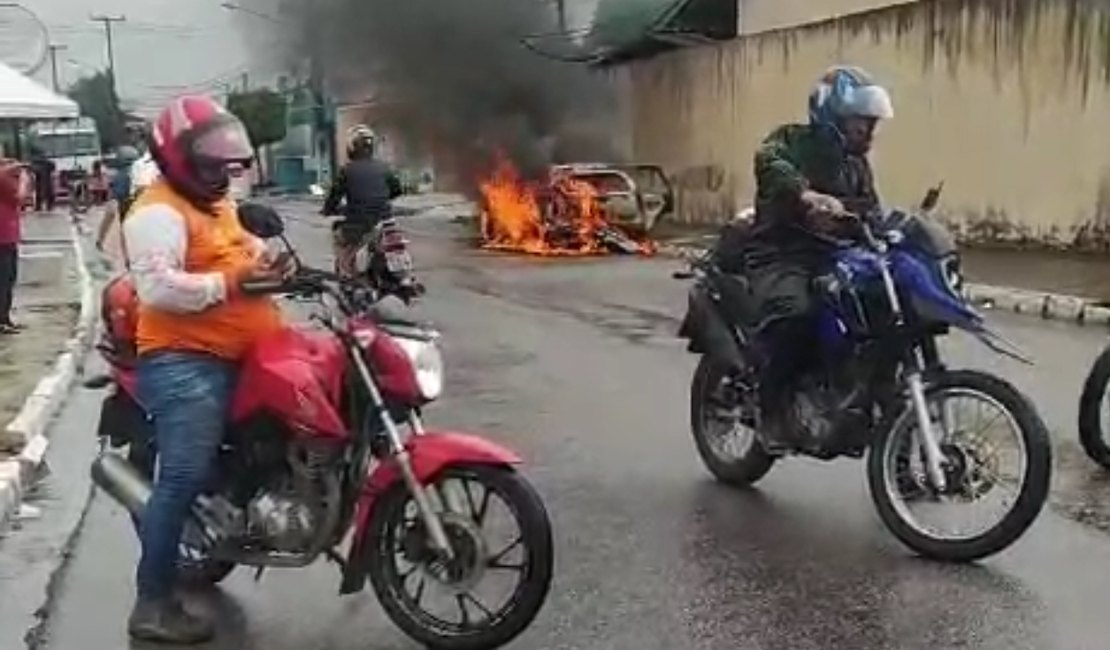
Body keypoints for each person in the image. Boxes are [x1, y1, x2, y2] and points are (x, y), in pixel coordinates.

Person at [122, 95, 289, 644]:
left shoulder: (217, 204)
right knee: (183, 476)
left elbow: (246, 249)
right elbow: (159, 287)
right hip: (184, 360)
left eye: (226, 160)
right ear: (176, 157)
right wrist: (232, 284)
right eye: (210, 159)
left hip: (248, 351)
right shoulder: (157, 213)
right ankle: (153, 603)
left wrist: (277, 264)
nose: (221, 170)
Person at [726, 65, 893, 450]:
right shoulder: (791, 140)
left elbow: (873, 212)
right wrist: (805, 195)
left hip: (836, 257)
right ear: (830, 115)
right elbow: (770, 161)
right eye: (859, 121)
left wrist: (888, 234)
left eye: (871, 122)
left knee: (883, 318)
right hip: (781, 254)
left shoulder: (856, 165)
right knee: (797, 313)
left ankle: (891, 445)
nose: (868, 130)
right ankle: (769, 410)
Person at [322, 125, 402, 278]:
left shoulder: (347, 170)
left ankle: (348, 278)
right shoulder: (383, 168)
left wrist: (328, 209)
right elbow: (397, 190)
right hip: (386, 220)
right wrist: (381, 199)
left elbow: (334, 197)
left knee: (341, 242)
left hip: (359, 223)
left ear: (351, 147)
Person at [95, 146, 141, 267]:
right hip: (144, 207)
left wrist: (100, 239)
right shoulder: (143, 172)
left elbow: (111, 209)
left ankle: (128, 259)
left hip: (128, 208)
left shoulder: (121, 176)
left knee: (126, 231)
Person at [0, 159, 25, 333]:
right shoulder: (3, 178)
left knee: (7, 279)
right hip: (4, 236)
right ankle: (2, 320)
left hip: (7, 234)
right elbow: (20, 197)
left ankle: (5, 319)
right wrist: (23, 179)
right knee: (5, 280)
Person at [29, 147, 55, 212]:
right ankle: (49, 206)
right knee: (49, 193)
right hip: (47, 180)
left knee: (38, 193)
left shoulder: (34, 161)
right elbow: (53, 167)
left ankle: (38, 207)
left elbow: (32, 169)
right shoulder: (46, 161)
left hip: (38, 181)